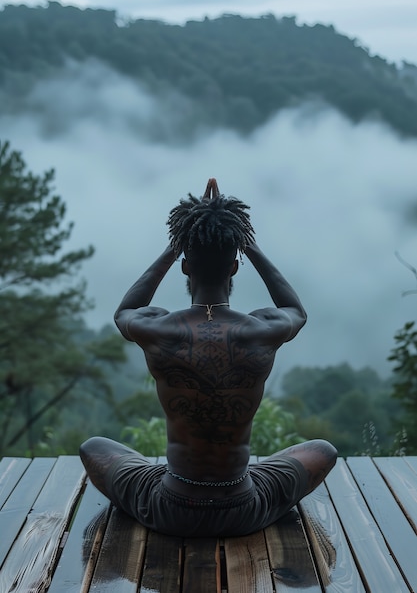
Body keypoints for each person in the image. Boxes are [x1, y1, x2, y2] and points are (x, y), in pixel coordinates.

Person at [80, 179, 337, 537]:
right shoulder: (262, 330)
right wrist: (248, 243)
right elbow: (295, 309)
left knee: (94, 447)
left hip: (169, 506)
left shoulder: (159, 330)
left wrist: (176, 244)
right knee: (322, 450)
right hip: (244, 507)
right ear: (234, 267)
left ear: (186, 267)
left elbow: (127, 310)